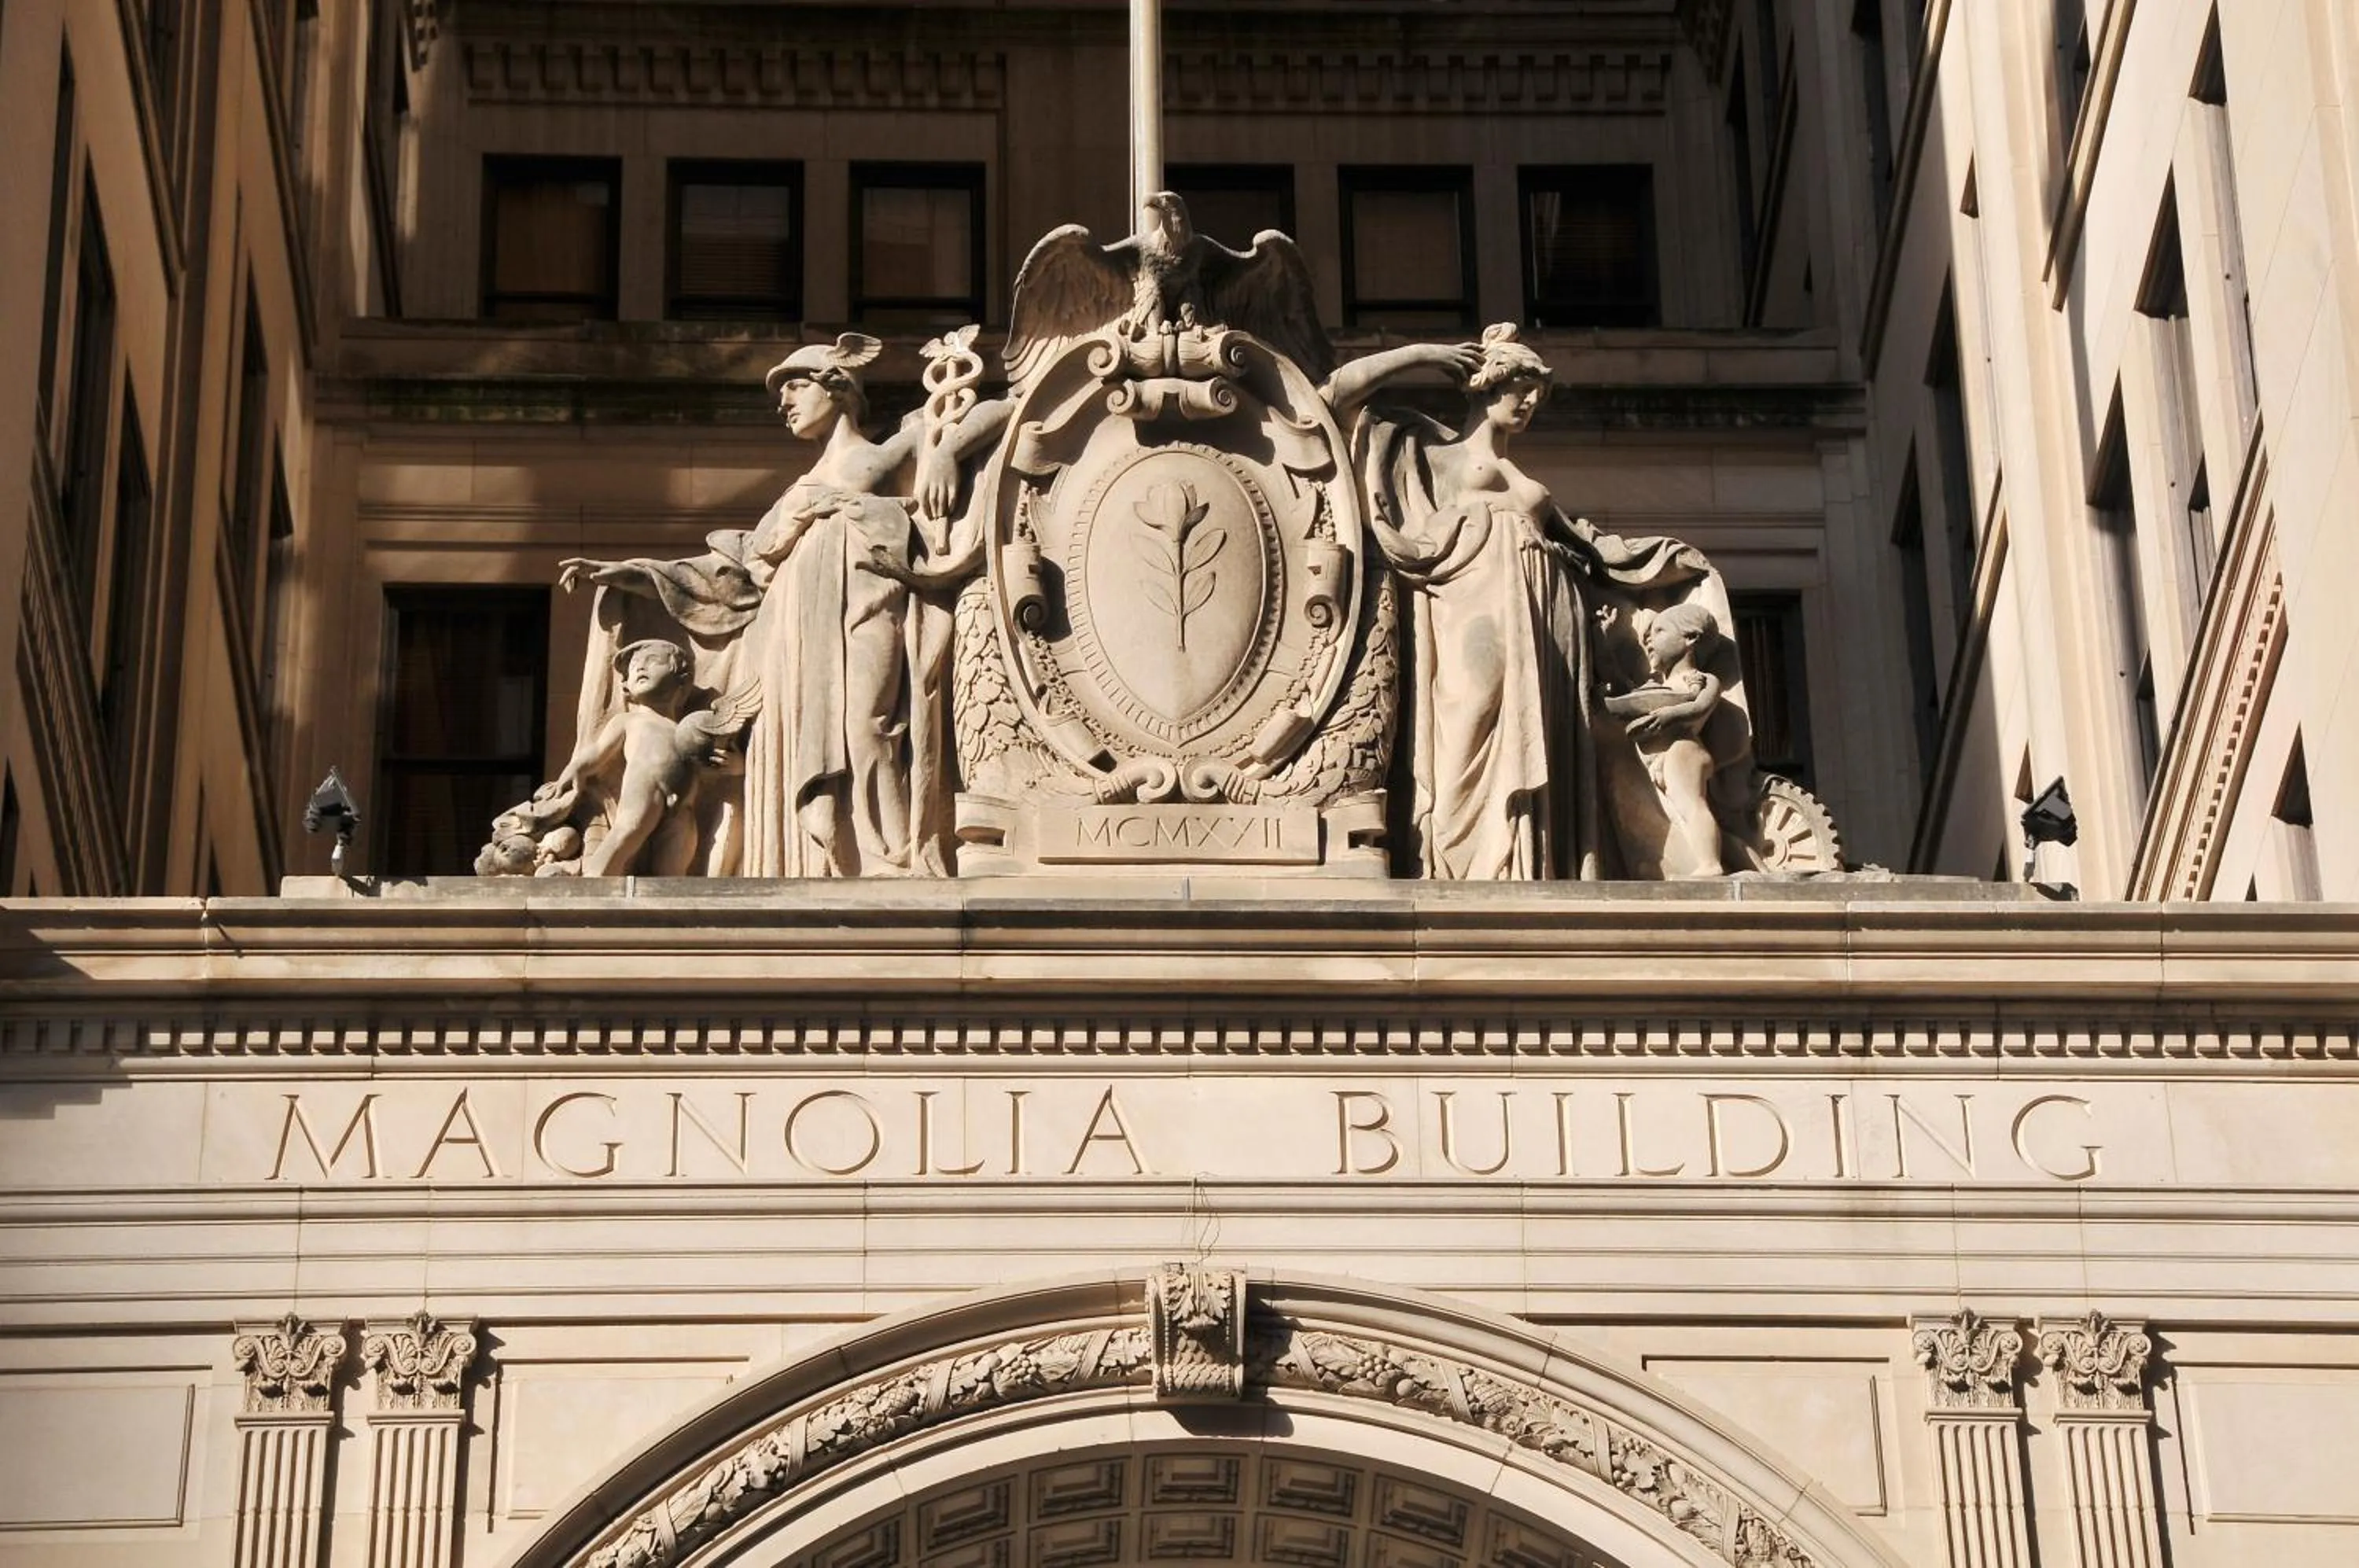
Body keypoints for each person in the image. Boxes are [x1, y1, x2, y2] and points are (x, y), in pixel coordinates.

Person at [1329, 323, 1740, 879]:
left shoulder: (1523, 478)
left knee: (1539, 729)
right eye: (1517, 387)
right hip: (1467, 602)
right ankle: (1457, 861)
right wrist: (1424, 355)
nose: (1527, 402)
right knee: (1473, 711)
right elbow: (1333, 397)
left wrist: (1658, 559)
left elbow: (1588, 546)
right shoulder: (1429, 448)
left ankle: (1527, 862)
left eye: (1536, 394)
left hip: (1545, 612)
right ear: (1483, 386)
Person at [1599, 602, 1734, 878]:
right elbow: (1616, 683)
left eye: (1659, 631)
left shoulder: (1702, 679)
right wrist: (1601, 638)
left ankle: (1711, 864)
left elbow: (1700, 707)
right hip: (1655, 761)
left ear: (1691, 638)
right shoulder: (1654, 686)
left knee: (1691, 804)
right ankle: (1744, 862)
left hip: (1683, 750)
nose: (1648, 639)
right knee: (1681, 820)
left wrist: (1670, 715)